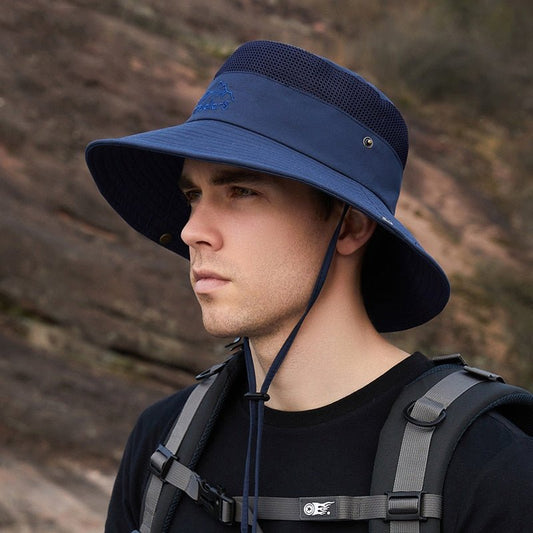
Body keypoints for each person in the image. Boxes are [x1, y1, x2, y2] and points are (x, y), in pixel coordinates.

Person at [86, 41, 533, 533]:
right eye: (193, 195)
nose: (193, 230)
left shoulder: (491, 470)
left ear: (349, 228)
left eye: (241, 192)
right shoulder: (164, 446)